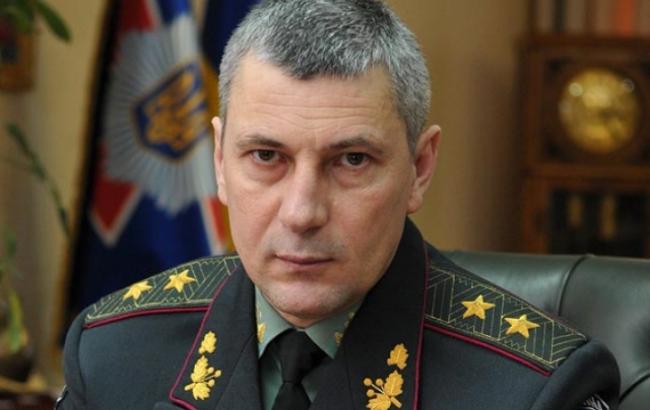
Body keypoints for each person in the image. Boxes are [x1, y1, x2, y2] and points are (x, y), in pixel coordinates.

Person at [57, 1, 620, 409]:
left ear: (420, 168)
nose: (302, 213)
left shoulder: (537, 389)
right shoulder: (112, 353)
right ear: (220, 163)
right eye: (266, 156)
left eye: (351, 160)